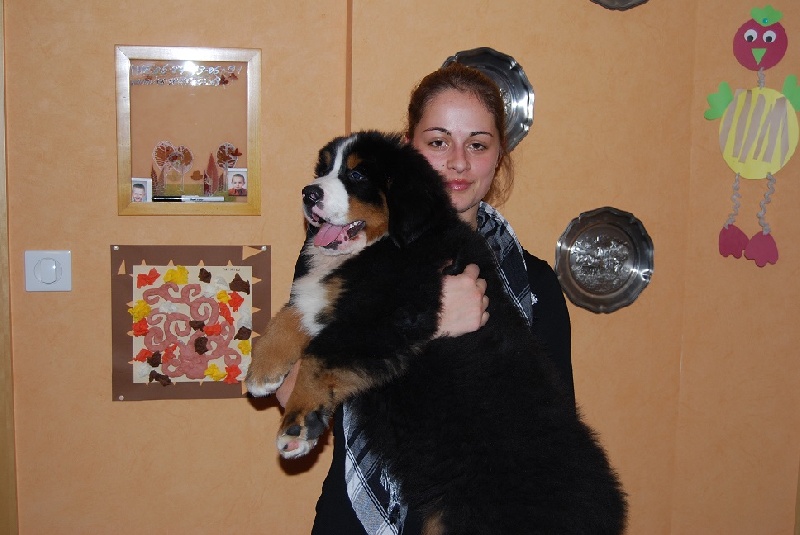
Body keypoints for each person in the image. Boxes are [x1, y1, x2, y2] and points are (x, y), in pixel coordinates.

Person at [280, 63, 573, 534]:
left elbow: (551, 444)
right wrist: (426, 322)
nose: (458, 162)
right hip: (357, 519)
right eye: (438, 142)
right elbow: (288, 390)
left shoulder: (534, 286)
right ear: (407, 152)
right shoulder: (342, 253)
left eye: (477, 144)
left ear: (498, 156)